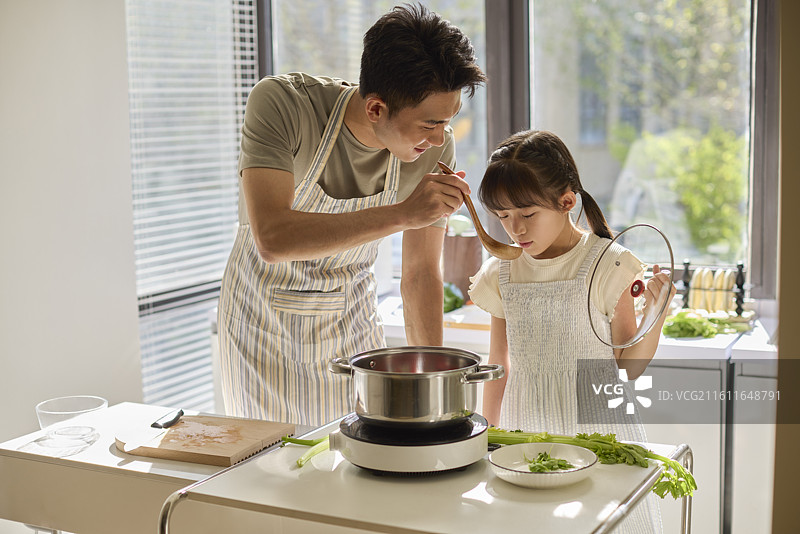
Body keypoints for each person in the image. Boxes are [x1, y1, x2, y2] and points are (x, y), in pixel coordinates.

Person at [218, 4, 486, 427]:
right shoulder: (283, 106)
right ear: (376, 108)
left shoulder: (434, 146)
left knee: (361, 468)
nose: (439, 138)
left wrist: (434, 377)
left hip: (351, 327)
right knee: (271, 474)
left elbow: (419, 272)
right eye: (429, 124)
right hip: (263, 331)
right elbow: (273, 238)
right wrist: (403, 214)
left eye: (449, 120)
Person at [469, 130, 673, 533]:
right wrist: (487, 438)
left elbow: (627, 370)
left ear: (566, 201)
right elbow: (499, 363)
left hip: (599, 430)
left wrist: (656, 313)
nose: (515, 230)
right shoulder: (502, 270)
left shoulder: (608, 263)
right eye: (503, 217)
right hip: (524, 428)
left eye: (527, 214)